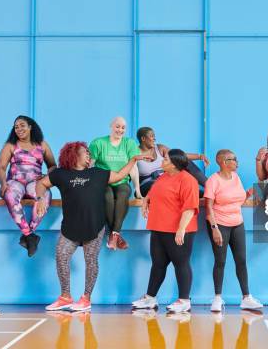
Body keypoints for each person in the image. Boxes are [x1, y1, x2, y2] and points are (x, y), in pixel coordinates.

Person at [35, 141, 150, 312]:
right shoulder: (60, 174)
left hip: (94, 226)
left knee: (90, 261)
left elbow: (119, 175)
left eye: (89, 152)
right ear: (73, 154)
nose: (88, 154)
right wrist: (40, 199)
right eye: (85, 152)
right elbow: (41, 184)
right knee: (61, 256)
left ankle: (86, 299)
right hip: (70, 227)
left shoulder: (97, 173)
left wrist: (133, 159)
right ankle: (65, 296)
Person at [132, 150, 199, 314]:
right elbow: (155, 191)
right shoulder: (163, 176)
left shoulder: (188, 180)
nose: (162, 160)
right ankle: (150, 298)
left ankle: (184, 300)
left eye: (166, 159)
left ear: (174, 164)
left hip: (178, 230)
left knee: (181, 264)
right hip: (159, 228)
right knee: (158, 264)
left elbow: (190, 207)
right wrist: (146, 199)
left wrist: (181, 229)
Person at [205, 149, 263, 312]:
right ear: (224, 162)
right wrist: (214, 228)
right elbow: (208, 207)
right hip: (219, 224)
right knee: (220, 261)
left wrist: (252, 191)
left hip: (237, 224)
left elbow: (239, 198)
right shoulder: (213, 181)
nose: (237, 162)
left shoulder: (236, 178)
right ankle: (217, 299)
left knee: (241, 261)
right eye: (234, 159)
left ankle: (246, 298)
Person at [0, 115, 56, 257]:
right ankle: (29, 235)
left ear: (30, 127)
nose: (19, 129)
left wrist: (48, 179)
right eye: (16, 127)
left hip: (35, 182)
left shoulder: (42, 145)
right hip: (15, 181)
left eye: (22, 125)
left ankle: (29, 234)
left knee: (46, 195)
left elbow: (52, 166)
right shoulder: (10, 145)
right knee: (9, 194)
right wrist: (3, 183)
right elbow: (1, 167)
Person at [89, 116, 141, 251]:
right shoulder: (98, 143)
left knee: (123, 195)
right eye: (117, 126)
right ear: (111, 126)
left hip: (122, 181)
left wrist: (137, 190)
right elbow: (90, 165)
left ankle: (113, 234)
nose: (120, 130)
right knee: (108, 198)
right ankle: (116, 234)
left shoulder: (129, 144)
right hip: (102, 181)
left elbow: (133, 168)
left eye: (123, 127)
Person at [136, 126, 209, 196]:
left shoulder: (160, 148)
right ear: (143, 138)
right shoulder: (134, 152)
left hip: (167, 181)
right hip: (148, 185)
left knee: (186, 162)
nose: (154, 139)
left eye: (154, 136)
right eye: (152, 136)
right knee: (160, 184)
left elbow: (179, 156)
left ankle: (210, 187)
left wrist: (199, 156)